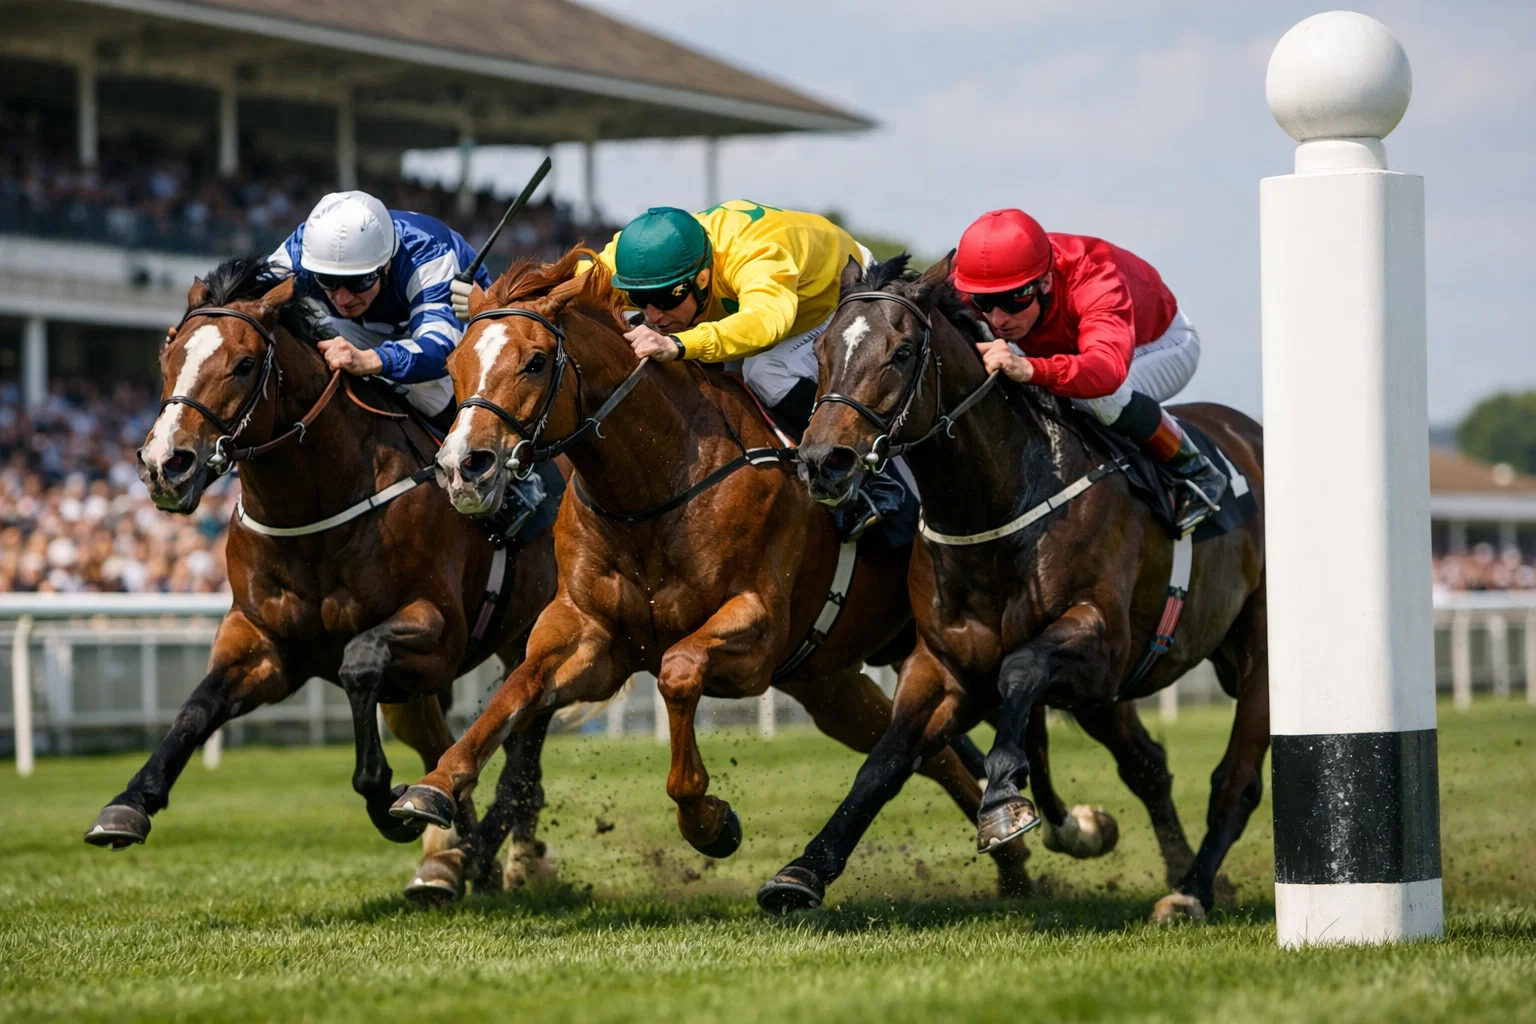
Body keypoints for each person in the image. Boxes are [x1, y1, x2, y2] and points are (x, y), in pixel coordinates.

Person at [454, 200, 908, 542]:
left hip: (829, 299)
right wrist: (491, 303)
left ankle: (869, 480)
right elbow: (574, 281)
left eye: (667, 299)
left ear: (704, 278)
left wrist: (678, 342)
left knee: (765, 371)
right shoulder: (638, 262)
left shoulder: (759, 257)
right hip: (754, 305)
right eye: (641, 299)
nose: (652, 312)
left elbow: (767, 323)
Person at [952, 208, 1226, 532]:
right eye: (984, 303)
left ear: (1046, 281)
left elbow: (1106, 371)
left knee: (1098, 397)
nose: (998, 319)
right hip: (1072, 351)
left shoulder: (1096, 277)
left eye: (1014, 300)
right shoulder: (973, 276)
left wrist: (1029, 368)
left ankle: (1193, 468)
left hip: (1161, 344)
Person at [268, 191, 491, 431]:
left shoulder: (427, 253)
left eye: (359, 281)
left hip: (458, 335)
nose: (342, 298)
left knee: (430, 386)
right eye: (327, 280)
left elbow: (440, 350)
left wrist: (371, 360)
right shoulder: (306, 247)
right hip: (364, 330)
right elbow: (246, 298)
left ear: (386, 265)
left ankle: (465, 457)